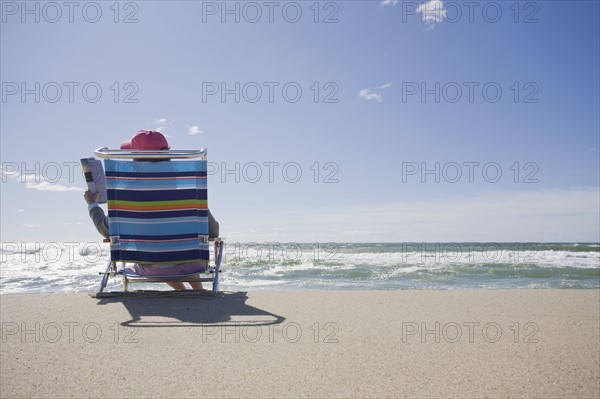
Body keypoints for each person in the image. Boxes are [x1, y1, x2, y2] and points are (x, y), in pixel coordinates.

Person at [85, 130, 219, 291]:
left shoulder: (125, 194)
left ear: (135, 158)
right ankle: (198, 291)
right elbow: (213, 230)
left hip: (152, 269)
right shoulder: (188, 189)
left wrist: (93, 205)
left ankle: (182, 291)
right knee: (182, 253)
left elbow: (106, 230)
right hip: (191, 264)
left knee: (158, 257)